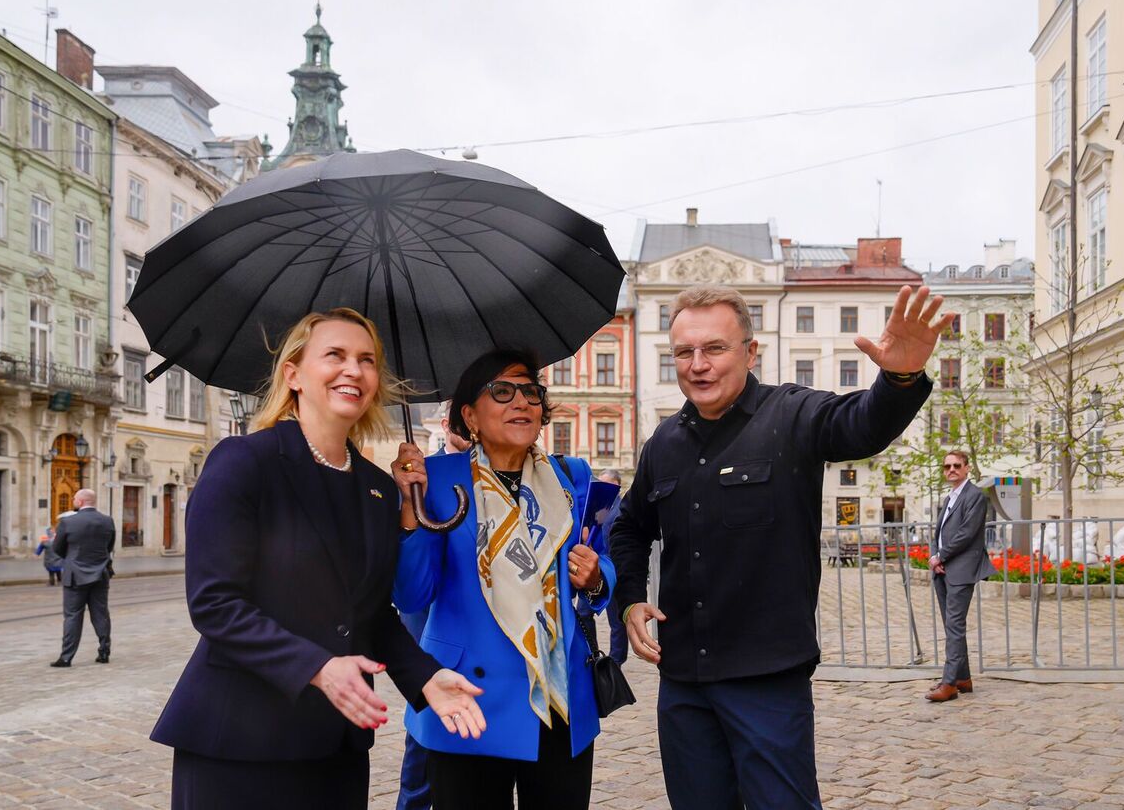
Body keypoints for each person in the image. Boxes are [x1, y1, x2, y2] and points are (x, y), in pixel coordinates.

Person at [610, 284, 947, 810]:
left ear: (750, 351)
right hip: (684, 684)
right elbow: (628, 527)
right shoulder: (664, 444)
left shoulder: (793, 415)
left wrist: (899, 378)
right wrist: (630, 597)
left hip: (765, 683)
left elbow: (861, 425)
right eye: (683, 352)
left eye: (715, 348)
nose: (697, 365)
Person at [150, 308, 486, 810]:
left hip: (336, 745)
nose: (354, 370)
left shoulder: (376, 488)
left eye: (367, 360)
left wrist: (424, 675)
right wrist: (318, 667)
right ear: (294, 375)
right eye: (335, 355)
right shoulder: (244, 462)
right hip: (241, 741)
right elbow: (215, 604)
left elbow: (373, 614)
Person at [393, 348, 616, 809]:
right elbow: (412, 593)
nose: (522, 402)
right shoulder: (433, 479)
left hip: (559, 699)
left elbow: (602, 561)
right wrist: (410, 512)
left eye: (531, 391)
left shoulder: (570, 477)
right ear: (470, 415)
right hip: (468, 699)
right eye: (502, 391)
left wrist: (595, 578)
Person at [395, 406, 470, 810]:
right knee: (422, 758)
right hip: (426, 640)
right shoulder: (423, 475)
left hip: (475, 649)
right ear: (445, 426)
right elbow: (406, 584)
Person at [925, 449, 998, 702]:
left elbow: (966, 533)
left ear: (967, 468)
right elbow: (939, 533)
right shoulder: (949, 498)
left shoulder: (975, 496)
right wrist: (935, 556)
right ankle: (963, 679)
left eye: (956, 465)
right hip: (943, 569)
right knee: (951, 627)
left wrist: (941, 556)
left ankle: (949, 684)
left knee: (955, 626)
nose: (951, 470)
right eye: (947, 467)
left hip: (961, 569)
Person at [50, 489, 116, 667]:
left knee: (72, 616)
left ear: (80, 502)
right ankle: (104, 652)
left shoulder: (68, 522)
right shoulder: (107, 521)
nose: (73, 500)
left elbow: (57, 548)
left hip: (75, 576)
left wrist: (72, 558)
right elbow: (109, 546)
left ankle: (66, 657)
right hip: (100, 574)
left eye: (74, 498)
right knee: (101, 613)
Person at [593, 469, 629, 666]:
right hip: (597, 568)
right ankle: (591, 651)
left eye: (605, 484)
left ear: (616, 486)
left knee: (616, 620)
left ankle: (616, 660)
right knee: (583, 612)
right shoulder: (600, 507)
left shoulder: (621, 508)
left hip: (614, 571)